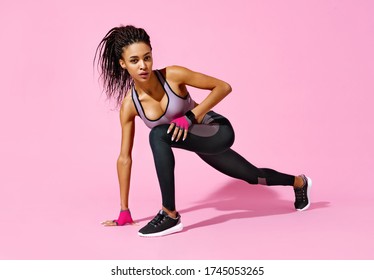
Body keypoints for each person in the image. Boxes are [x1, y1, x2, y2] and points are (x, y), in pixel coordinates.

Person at [95, 25, 312, 237]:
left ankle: (169, 214)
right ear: (123, 64)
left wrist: (191, 117)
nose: (143, 65)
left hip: (216, 129)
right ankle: (300, 182)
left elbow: (223, 87)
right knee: (254, 176)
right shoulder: (130, 105)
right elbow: (124, 158)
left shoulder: (173, 75)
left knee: (157, 134)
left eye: (147, 57)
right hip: (198, 143)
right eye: (134, 61)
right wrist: (124, 209)